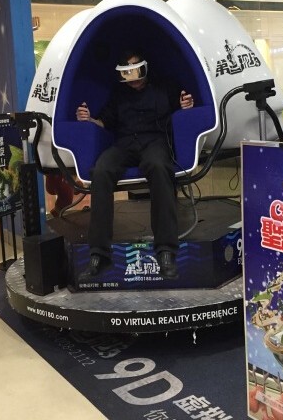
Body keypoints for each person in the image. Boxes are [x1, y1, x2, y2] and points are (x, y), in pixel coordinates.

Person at [75, 49, 194, 280]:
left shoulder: (164, 87)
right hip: (125, 144)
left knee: (159, 167)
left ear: (144, 68)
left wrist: (185, 105)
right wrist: (88, 119)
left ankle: (166, 250)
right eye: (127, 73)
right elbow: (104, 122)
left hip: (155, 141)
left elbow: (181, 108)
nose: (133, 79)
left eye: (136, 71)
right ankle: (99, 253)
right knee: (101, 170)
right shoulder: (119, 94)